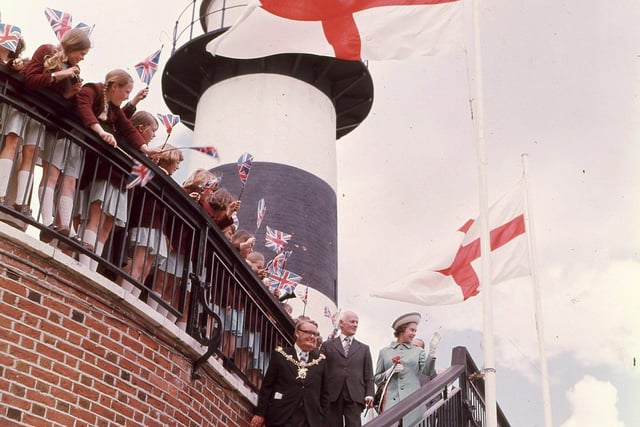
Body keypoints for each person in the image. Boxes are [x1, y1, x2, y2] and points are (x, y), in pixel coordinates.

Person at [75, 69, 157, 271]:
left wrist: (146, 149)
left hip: (119, 179)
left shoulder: (114, 108)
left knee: (108, 222)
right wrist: (102, 132)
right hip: (104, 170)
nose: (128, 95)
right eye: (126, 91)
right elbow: (86, 112)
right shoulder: (93, 91)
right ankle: (85, 262)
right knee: (96, 216)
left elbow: (128, 128)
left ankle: (91, 266)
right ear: (114, 86)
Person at [22, 28, 90, 238]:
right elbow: (31, 80)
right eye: (82, 53)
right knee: (28, 158)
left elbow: (61, 103)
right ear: (72, 46)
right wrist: (59, 74)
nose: (82, 58)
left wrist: (70, 93)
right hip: (31, 113)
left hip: (47, 123)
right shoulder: (46, 51)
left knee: (39, 165)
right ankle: (21, 203)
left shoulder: (72, 72)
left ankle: (48, 222)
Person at [250, 319, 329, 427]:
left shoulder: (321, 361)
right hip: (282, 416)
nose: (312, 337)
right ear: (297, 333)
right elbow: (267, 386)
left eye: (315, 334)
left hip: (309, 420)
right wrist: (260, 413)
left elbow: (324, 396)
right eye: (308, 332)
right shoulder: (281, 354)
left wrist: (324, 423)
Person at [374, 312, 437, 427]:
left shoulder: (418, 351)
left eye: (415, 331)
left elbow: (427, 372)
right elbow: (377, 378)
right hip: (391, 404)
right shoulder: (384, 352)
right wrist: (389, 372)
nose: (414, 334)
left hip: (412, 401)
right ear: (402, 330)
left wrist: (432, 354)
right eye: (411, 330)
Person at [320, 310, 375, 427]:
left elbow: (369, 374)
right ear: (341, 323)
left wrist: (369, 393)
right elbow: (321, 371)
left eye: (357, 322)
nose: (355, 325)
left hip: (355, 394)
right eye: (352, 322)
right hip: (332, 394)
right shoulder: (327, 345)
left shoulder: (364, 348)